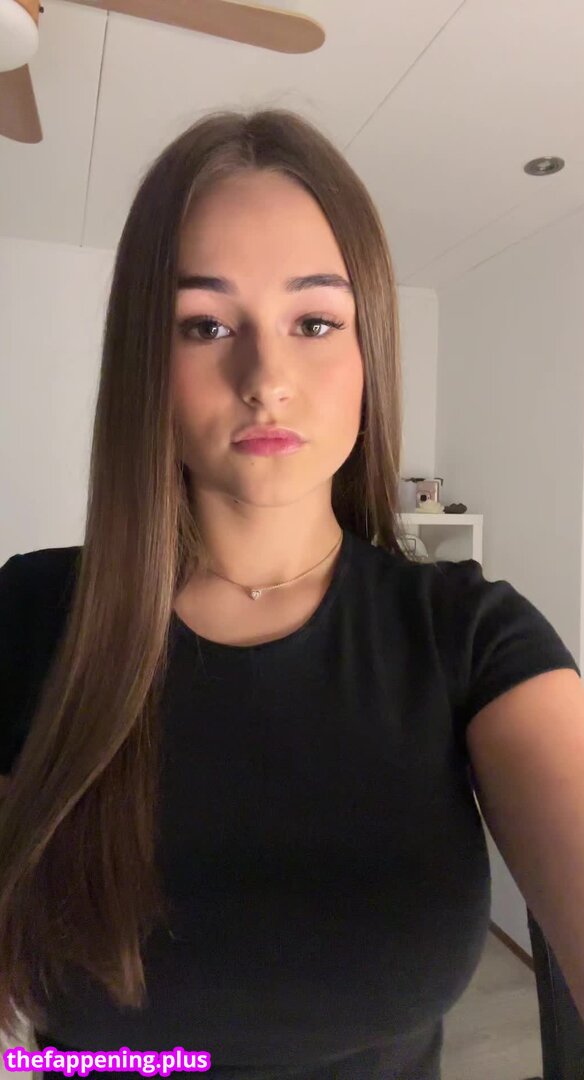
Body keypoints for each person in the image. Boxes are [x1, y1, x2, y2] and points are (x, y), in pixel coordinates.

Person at [0, 108, 579, 1080]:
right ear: (145, 360)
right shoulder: (30, 614)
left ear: (367, 350)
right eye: (205, 325)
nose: (265, 377)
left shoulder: (472, 638)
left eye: (313, 322)